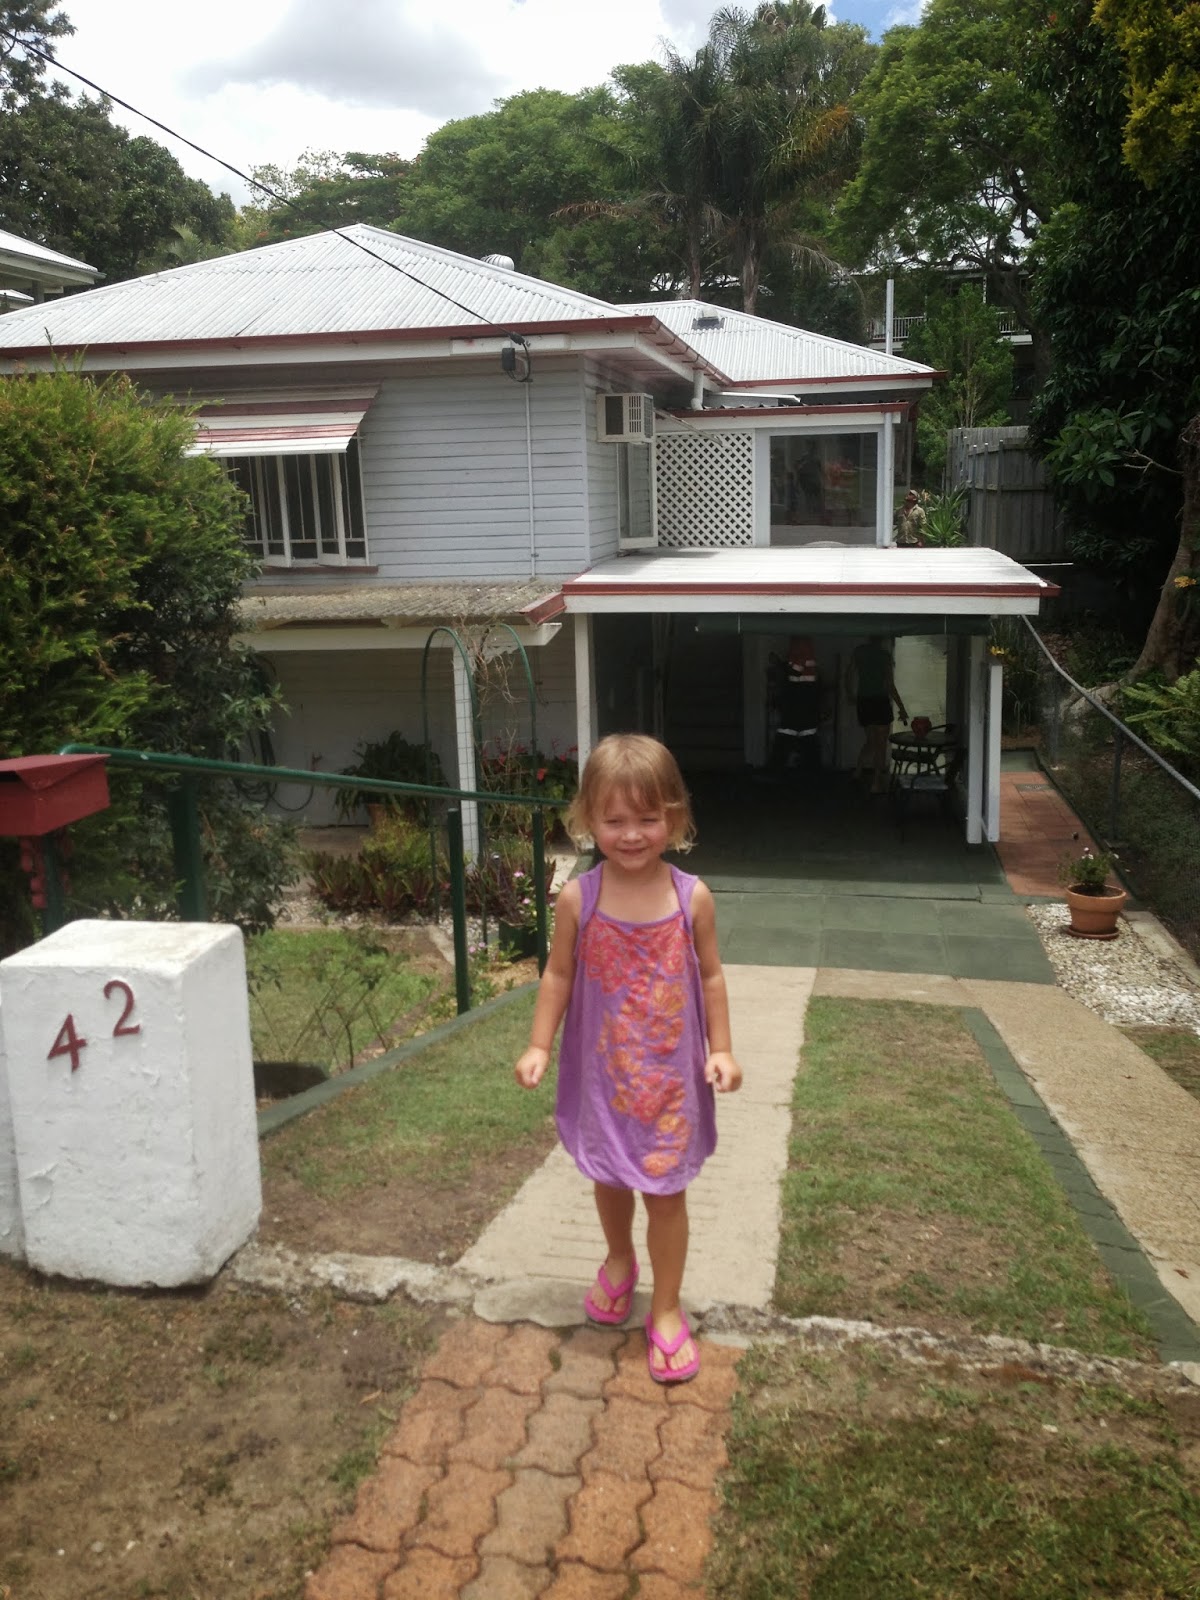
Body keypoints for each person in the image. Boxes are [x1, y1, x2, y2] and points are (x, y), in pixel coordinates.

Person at [514, 734, 742, 1384]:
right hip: (603, 1081)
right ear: (588, 818)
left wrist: (723, 1049)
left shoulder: (691, 898)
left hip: (670, 1085)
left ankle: (665, 1308)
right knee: (610, 1177)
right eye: (614, 820)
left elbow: (712, 976)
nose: (633, 834)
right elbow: (558, 976)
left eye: (648, 817)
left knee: (666, 1196)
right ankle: (619, 1259)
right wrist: (538, 1043)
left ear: (676, 817)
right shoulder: (578, 899)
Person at [847, 636, 908, 793]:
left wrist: (850, 694)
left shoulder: (859, 652)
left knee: (871, 741)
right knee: (880, 745)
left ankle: (857, 772)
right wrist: (902, 708)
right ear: (882, 639)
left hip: (864, 701)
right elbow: (889, 685)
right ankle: (875, 783)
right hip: (880, 702)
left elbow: (849, 673)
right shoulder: (884, 656)